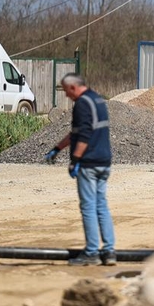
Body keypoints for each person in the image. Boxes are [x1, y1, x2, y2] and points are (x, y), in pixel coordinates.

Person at [45, 74, 115, 266]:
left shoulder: (82, 104)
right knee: (101, 206)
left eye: (66, 91)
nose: (67, 96)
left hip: (89, 162)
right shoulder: (98, 100)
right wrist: (58, 148)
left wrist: (75, 160)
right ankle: (109, 252)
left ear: (73, 87)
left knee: (88, 207)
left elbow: (84, 136)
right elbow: (76, 132)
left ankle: (91, 253)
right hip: (104, 161)